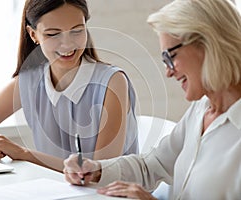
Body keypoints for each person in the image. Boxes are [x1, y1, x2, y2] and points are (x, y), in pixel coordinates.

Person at [63, 0, 241, 199]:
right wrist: (95, 170)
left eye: (169, 56)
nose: (168, 72)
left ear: (208, 44)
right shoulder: (201, 109)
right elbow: (152, 166)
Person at [0, 0, 139, 172]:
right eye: (53, 34)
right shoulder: (29, 81)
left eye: (77, 30)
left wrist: (24, 154)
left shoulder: (113, 82)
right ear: (33, 34)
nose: (67, 44)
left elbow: (100, 172)